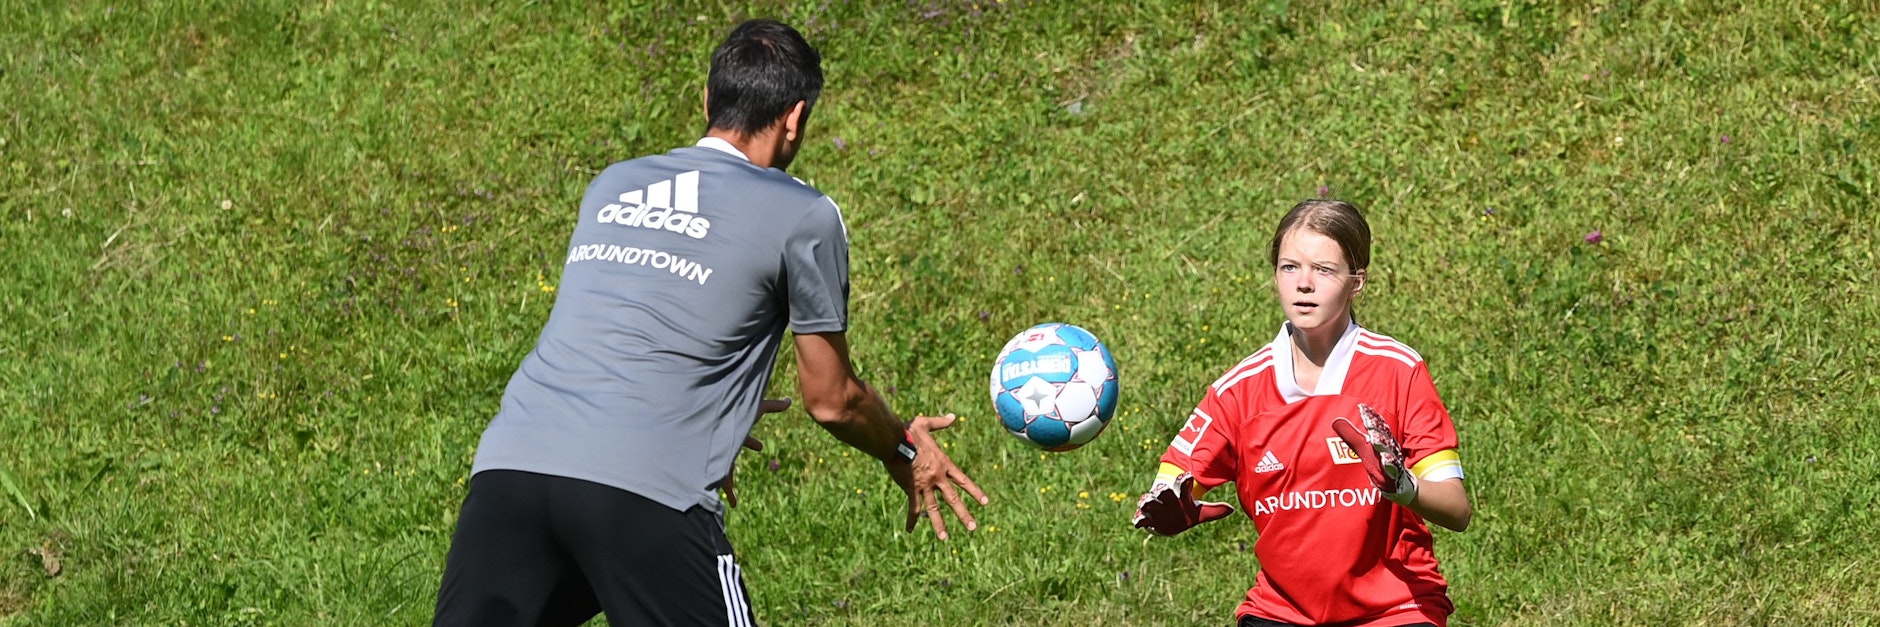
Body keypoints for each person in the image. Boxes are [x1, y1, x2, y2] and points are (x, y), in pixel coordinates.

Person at [433, 19, 988, 627]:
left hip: (509, 473)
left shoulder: (613, 184)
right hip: (647, 492)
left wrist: (712, 408)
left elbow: (629, 329)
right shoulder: (804, 214)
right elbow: (832, 400)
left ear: (707, 100)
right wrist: (905, 448)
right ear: (795, 117)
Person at [1132, 199, 1472, 627]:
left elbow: (1457, 510)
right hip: (1280, 613)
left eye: (1324, 270)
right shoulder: (1237, 392)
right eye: (1289, 267)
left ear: (1357, 281)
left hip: (1397, 609)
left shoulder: (1398, 371)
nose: (1304, 284)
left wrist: (1402, 486)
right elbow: (1171, 486)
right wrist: (1166, 513)